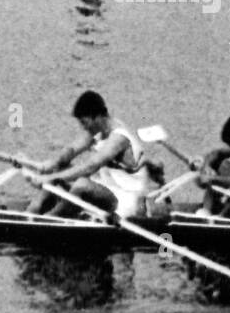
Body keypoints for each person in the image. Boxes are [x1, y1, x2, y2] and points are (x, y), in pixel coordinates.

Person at [24, 90, 155, 219]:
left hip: (126, 202)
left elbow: (90, 166)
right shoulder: (98, 130)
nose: (83, 127)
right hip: (106, 191)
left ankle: (50, 219)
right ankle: (30, 212)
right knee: (57, 170)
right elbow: (71, 151)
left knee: (82, 184)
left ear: (97, 117)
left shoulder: (119, 138)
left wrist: (51, 178)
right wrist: (47, 166)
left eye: (84, 122)